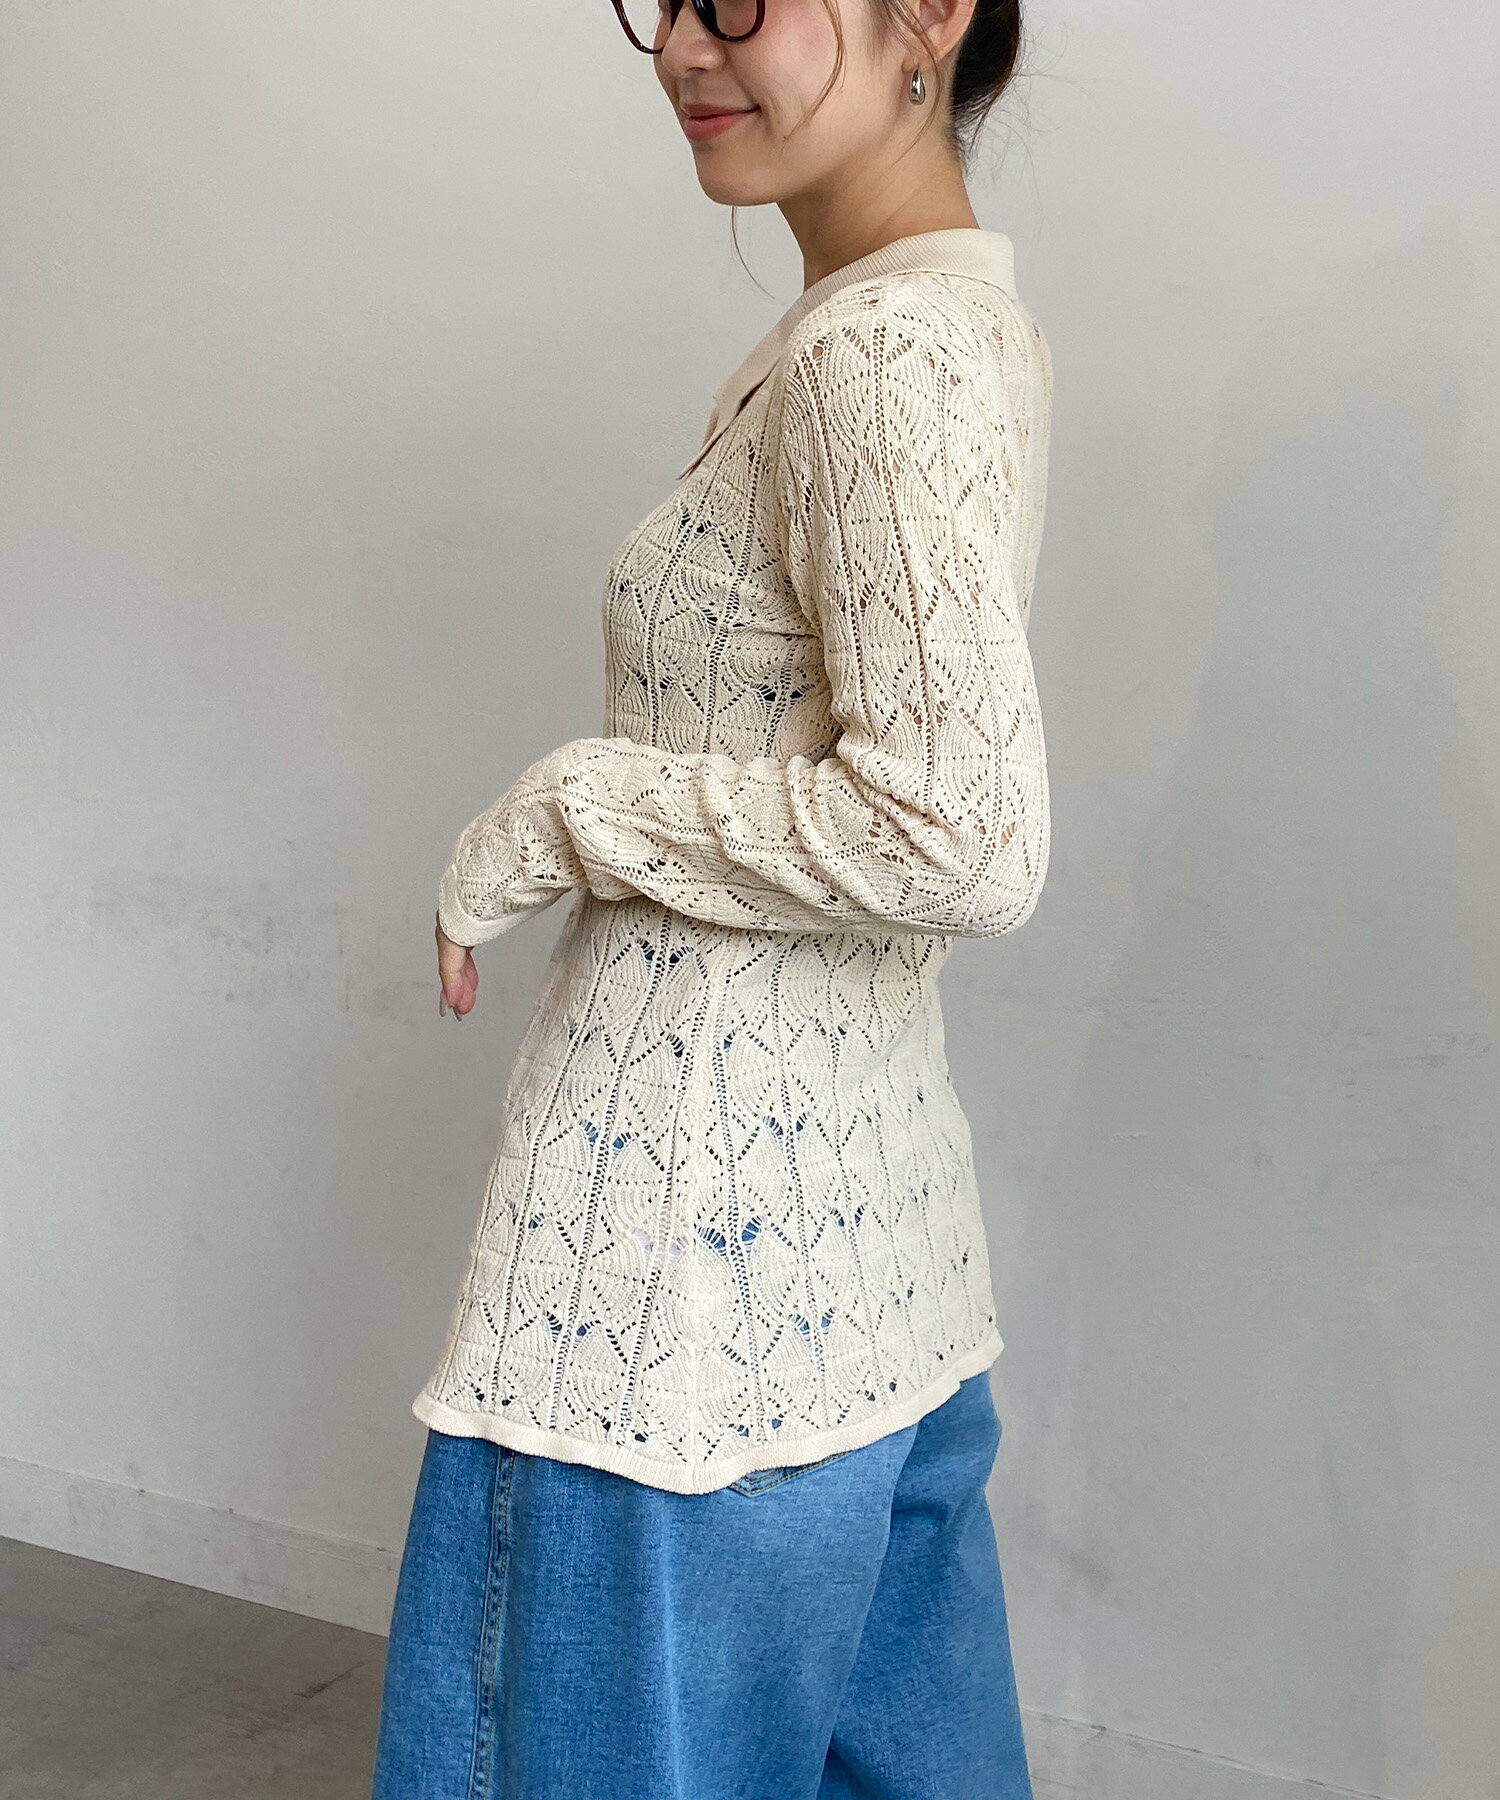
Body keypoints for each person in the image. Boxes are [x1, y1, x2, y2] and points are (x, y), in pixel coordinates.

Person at [371, 0, 1051, 1793]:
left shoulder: (876, 355)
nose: (683, 45)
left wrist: (575, 802)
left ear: (935, 13)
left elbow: (961, 832)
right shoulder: (931, 318)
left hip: (673, 1310)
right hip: (863, 1269)